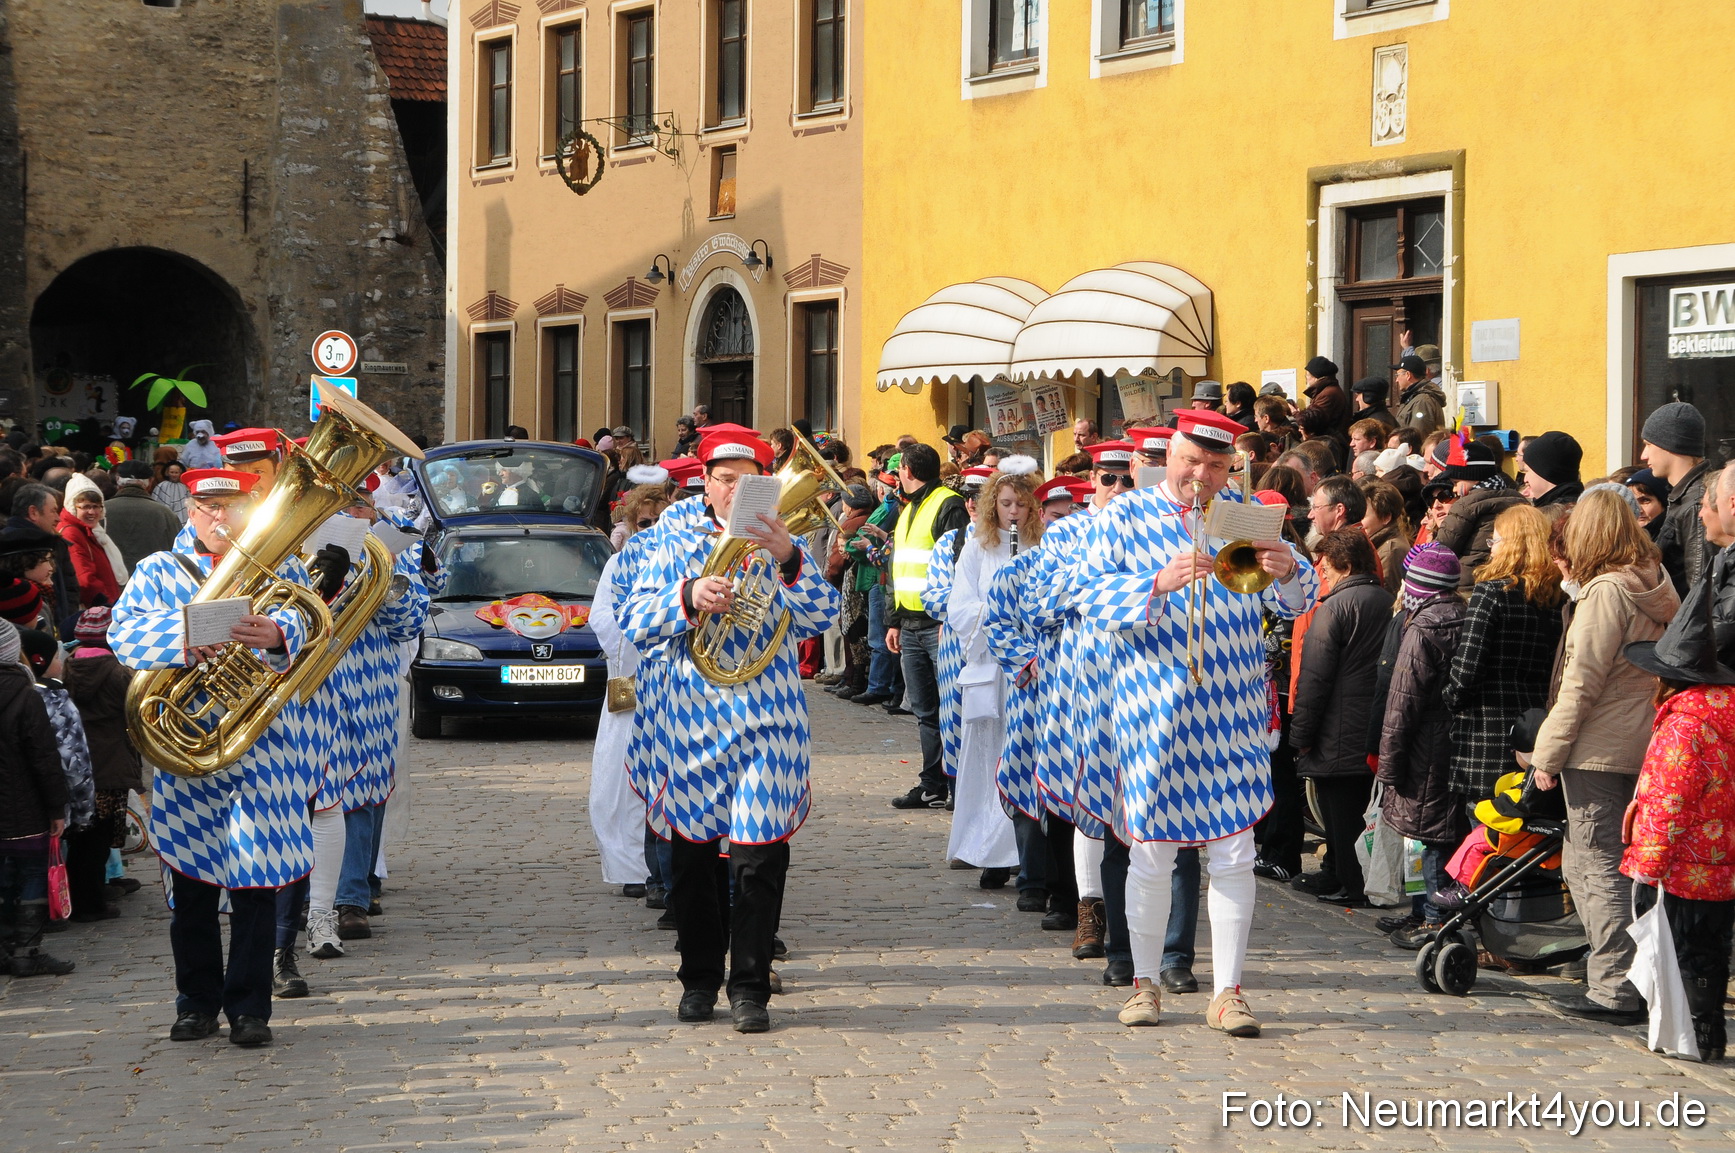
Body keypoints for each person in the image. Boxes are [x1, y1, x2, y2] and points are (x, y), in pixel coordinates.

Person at [1073, 409, 1317, 1036]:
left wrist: (1290, 571)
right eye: (1192, 462)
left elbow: (1294, 601)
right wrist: (1156, 581)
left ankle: (1230, 991)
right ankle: (1144, 983)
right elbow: (1088, 596)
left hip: (1231, 710)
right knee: (1152, 850)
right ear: (1169, 456)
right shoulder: (1124, 517)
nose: (1202, 477)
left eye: (1216, 466)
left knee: (1234, 850)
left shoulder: (1243, 517)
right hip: (1150, 709)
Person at [620, 424, 840, 1034]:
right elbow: (634, 618)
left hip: (767, 716)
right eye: (724, 480)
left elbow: (824, 615)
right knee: (692, 855)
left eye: (748, 482)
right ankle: (697, 978)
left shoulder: (782, 538)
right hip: (689, 716)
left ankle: (750, 986)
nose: (733, 491)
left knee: (758, 855)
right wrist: (690, 594)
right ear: (706, 482)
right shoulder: (671, 533)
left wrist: (790, 558)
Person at [109, 468, 319, 1047]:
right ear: (190, 511)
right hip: (189, 751)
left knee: (256, 882)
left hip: (262, 750)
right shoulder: (157, 570)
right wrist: (179, 637)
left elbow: (310, 624)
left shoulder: (282, 566)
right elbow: (123, 634)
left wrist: (278, 635)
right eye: (209, 507)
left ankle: (250, 1007)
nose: (221, 518)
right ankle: (194, 1002)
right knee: (192, 887)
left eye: (232, 506)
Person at [1525, 489, 1679, 1025]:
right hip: (1645, 743)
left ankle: (1614, 988)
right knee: (1622, 867)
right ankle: (1630, 978)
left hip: (1596, 750)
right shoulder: (1656, 584)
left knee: (1598, 868)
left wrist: (1547, 755)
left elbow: (1580, 683)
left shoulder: (1607, 593)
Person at [1621, 580, 1735, 1062]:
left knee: (1680, 948)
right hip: (1723, 861)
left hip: (1682, 864)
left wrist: (1648, 863)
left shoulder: (1684, 725)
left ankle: (1687, 1033)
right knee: (1711, 949)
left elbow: (1668, 802)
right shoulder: (1725, 714)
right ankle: (1707, 1033)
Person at [946, 463, 1039, 893]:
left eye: (1021, 504)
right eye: (1005, 504)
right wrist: (998, 613)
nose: (1013, 512)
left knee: (1027, 756)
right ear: (991, 507)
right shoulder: (977, 547)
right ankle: (989, 850)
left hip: (1030, 666)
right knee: (989, 758)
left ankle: (1026, 853)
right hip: (991, 665)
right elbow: (960, 606)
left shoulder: (1042, 544)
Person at [1289, 529, 1393, 905]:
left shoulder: (1334, 607)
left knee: (1341, 814)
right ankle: (1344, 876)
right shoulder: (1386, 601)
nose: (1322, 574)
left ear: (1345, 565)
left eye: (1327, 567)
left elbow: (1314, 678)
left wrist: (1300, 735)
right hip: (1371, 724)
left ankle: (1352, 883)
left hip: (1337, 728)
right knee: (1361, 811)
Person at [1375, 544, 1468, 947]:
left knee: (1430, 836)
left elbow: (1403, 700)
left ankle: (1433, 918)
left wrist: (1388, 765)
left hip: (1424, 746)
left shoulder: (1425, 626)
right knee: (1432, 832)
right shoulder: (1464, 614)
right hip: (1449, 743)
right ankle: (1420, 913)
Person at [1442, 505, 1566, 804]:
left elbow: (1467, 670)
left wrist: (1449, 698)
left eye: (1494, 541)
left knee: (1486, 836)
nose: (1491, 550)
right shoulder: (1557, 596)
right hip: (1534, 730)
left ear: (1512, 545)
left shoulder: (1491, 592)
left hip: (1485, 733)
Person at [589, 483, 669, 896]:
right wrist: (640, 638)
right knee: (623, 783)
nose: (653, 529)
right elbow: (602, 617)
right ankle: (631, 867)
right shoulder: (619, 566)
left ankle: (664, 872)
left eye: (660, 521)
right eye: (645, 522)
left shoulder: (681, 563)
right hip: (631, 687)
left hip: (673, 690)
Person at [886, 444, 970, 809]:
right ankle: (932, 783)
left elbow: (958, 566)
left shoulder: (947, 503)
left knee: (953, 708)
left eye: (898, 468)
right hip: (909, 622)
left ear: (906, 469)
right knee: (925, 711)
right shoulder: (909, 508)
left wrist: (947, 619)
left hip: (937, 625)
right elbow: (897, 567)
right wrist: (894, 620)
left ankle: (956, 783)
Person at [0, 618, 75, 977]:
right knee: (31, 875)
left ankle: (4, 949)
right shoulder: (25, 695)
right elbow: (44, 758)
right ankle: (26, 951)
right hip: (24, 808)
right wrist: (56, 808)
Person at [60, 607, 144, 922]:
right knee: (100, 837)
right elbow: (135, 713)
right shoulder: (119, 673)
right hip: (111, 765)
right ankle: (90, 902)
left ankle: (81, 896)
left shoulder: (66, 668)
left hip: (76, 765)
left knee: (82, 835)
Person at [1641, 401, 1712, 595]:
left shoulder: (1696, 503)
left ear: (1670, 444)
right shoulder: (1682, 497)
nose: (1643, 455)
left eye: (1648, 445)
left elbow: (1700, 591)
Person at [1432, 438, 1525, 585]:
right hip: (1510, 579)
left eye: (1456, 483)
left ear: (1474, 478)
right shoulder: (1517, 498)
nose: (1455, 490)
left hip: (1470, 581)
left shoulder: (1466, 504)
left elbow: (1442, 549)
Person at [57, 474, 126, 609]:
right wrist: (108, 605)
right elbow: (85, 580)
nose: (92, 512)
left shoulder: (90, 532)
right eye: (85, 506)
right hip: (97, 609)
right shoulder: (71, 533)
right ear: (73, 507)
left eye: (96, 506)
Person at [104, 460, 181, 570]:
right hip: (151, 582)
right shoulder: (165, 514)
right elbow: (178, 554)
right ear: (150, 482)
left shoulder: (99, 512)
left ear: (117, 479)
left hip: (110, 582)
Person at [1360, 479, 1412, 598]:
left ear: (1385, 518)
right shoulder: (1381, 544)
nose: (1359, 522)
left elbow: (1386, 596)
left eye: (1363, 516)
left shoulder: (1391, 551)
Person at [1520, 430, 1584, 511]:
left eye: (1527, 471)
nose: (1525, 479)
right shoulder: (1582, 507)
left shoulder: (1556, 519)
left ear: (1544, 472)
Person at [1297, 356, 1350, 442]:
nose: (1306, 378)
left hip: (1329, 442)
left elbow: (1313, 422)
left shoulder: (1327, 394)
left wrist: (1295, 413)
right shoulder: (1326, 391)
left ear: (1316, 377)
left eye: (1307, 375)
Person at [1391, 355, 1446, 433]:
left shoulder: (1422, 401)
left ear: (1408, 375)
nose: (1396, 380)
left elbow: (1418, 436)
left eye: (1398, 375)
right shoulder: (1414, 398)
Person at [1621, 468, 1669, 540]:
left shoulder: (1674, 543)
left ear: (1663, 503)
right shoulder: (1620, 542)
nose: (1638, 509)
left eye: (1645, 500)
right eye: (1631, 501)